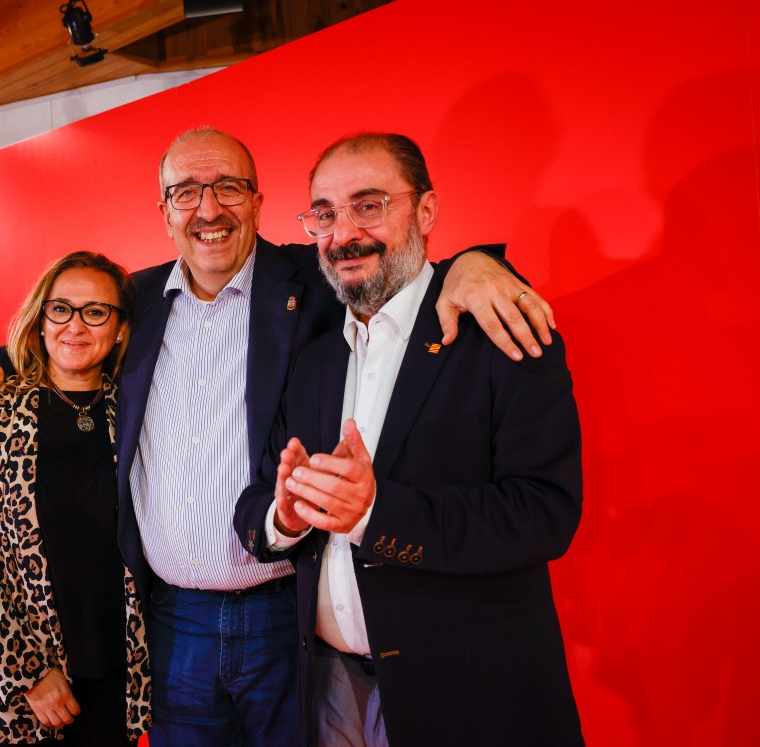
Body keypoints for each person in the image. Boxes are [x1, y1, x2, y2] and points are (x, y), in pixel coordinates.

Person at [0, 128, 557, 747]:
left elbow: (399, 271)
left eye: (228, 187)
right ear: (164, 212)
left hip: (283, 614)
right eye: (185, 192)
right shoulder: (139, 300)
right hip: (171, 619)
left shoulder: (314, 281)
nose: (208, 210)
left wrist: (478, 264)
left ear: (258, 201)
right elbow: (71, 330)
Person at [234, 132, 584, 746]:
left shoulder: (500, 327)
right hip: (329, 688)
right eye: (325, 214)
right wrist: (284, 520)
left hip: (467, 690)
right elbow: (257, 498)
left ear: (425, 211)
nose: (343, 234)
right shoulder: (314, 359)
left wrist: (374, 512)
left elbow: (545, 513)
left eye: (369, 205)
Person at [0, 251, 150, 746]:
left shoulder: (136, 414)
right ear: (41, 317)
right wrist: (29, 672)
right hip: (12, 688)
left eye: (95, 311)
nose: (75, 325)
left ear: (118, 329)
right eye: (61, 309)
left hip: (116, 675)